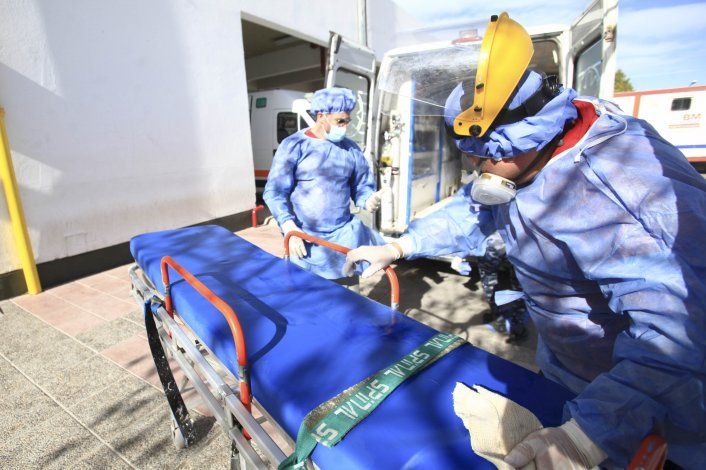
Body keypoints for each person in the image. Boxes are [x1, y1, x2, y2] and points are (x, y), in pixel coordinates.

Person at [343, 12, 706, 469]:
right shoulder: (540, 151)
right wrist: (400, 246)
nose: (474, 167)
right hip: (570, 375)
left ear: (520, 139)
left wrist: (589, 435)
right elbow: (477, 208)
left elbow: (679, 335)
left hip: (643, 408)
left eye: (482, 156)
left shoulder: (613, 195)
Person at [263, 87, 384, 283]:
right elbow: (275, 192)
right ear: (321, 116)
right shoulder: (294, 146)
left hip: (343, 241)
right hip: (304, 240)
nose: (345, 127)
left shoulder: (350, 149)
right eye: (340, 121)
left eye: (347, 121)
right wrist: (289, 226)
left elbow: (361, 186)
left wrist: (367, 199)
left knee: (347, 297)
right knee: (306, 296)